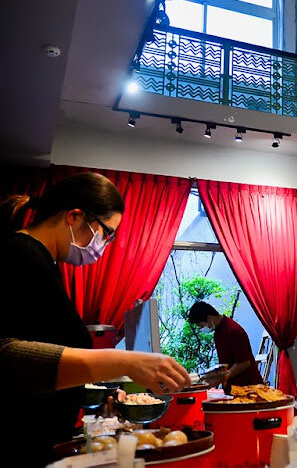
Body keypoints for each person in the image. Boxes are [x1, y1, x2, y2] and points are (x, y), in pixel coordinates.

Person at [0, 172, 191, 466]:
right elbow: (9, 356)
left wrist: (96, 395)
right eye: (106, 233)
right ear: (74, 216)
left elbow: (47, 353)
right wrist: (126, 362)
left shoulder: (44, 263)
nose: (104, 244)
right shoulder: (20, 255)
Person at [188, 301, 263, 387]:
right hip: (232, 388)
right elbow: (226, 364)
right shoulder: (218, 332)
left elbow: (243, 363)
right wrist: (212, 376)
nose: (202, 329)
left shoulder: (233, 330)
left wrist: (221, 378)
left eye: (201, 326)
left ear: (209, 318)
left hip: (248, 387)